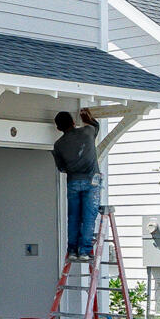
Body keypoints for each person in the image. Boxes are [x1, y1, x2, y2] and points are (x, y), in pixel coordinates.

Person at [52, 107, 101, 258]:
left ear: (58, 128)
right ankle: (85, 251)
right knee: (88, 216)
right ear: (74, 122)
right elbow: (96, 126)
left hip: (73, 181)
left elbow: (61, 168)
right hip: (92, 180)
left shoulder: (58, 145)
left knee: (73, 217)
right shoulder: (87, 132)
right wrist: (87, 118)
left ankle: (72, 250)